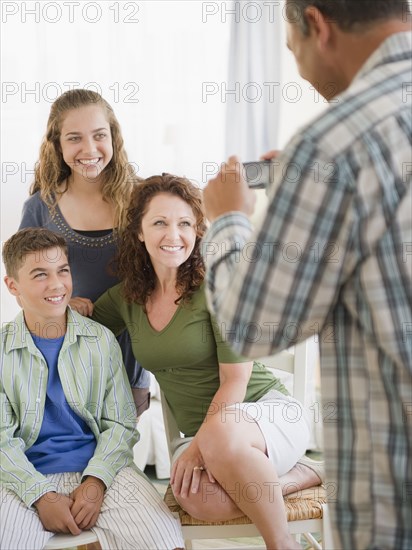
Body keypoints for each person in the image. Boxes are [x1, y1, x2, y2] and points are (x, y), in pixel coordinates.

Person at [201, 1, 412, 549]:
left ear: (316, 25)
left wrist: (228, 219)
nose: (293, 60)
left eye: (289, 45)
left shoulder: (332, 143)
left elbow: (252, 327)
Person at [82, 174, 324, 550]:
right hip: (204, 435)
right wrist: (69, 304)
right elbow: (84, 330)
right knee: (198, 500)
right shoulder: (126, 298)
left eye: (184, 223)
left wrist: (200, 446)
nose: (173, 234)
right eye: (160, 222)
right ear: (140, 232)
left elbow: (235, 383)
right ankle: (302, 475)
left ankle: (281, 545)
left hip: (262, 415)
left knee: (222, 437)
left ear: (197, 230)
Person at [0, 227, 184, 550]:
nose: (57, 285)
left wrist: (95, 482)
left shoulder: (100, 340)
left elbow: (121, 424)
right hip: (23, 476)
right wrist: (39, 495)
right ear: (12, 286)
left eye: (63, 271)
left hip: (102, 469)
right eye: (40, 274)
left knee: (164, 538)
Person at [19, 89, 150, 417]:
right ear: (57, 144)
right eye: (74, 138)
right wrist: (62, 302)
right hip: (65, 352)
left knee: (118, 447)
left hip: (131, 351)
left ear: (114, 138)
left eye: (99, 135)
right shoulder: (40, 208)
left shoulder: (142, 199)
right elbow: (23, 284)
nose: (89, 150)